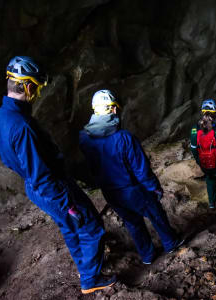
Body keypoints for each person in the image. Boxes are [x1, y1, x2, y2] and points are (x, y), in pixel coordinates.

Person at [0, 56, 116, 294]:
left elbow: (9, 159)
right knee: (91, 225)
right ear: (27, 86)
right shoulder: (21, 126)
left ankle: (84, 267)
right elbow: (41, 174)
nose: (37, 92)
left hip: (36, 187)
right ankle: (91, 279)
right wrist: (67, 204)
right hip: (52, 187)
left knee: (68, 227)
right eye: (36, 86)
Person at [78, 90, 184, 265]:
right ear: (113, 110)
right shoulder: (124, 138)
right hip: (132, 189)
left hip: (110, 192)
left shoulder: (84, 139)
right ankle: (170, 242)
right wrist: (153, 187)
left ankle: (148, 255)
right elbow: (141, 168)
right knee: (156, 214)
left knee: (132, 223)